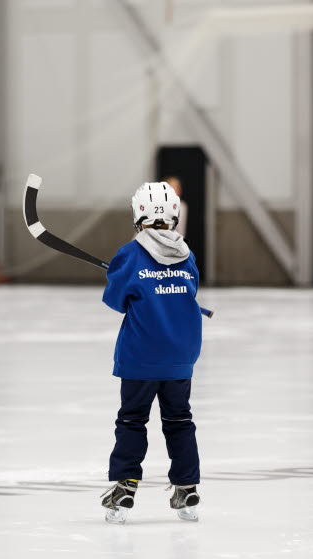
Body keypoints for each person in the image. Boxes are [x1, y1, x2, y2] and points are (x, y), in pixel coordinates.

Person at [99, 181, 202, 524]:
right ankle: (186, 487)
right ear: (173, 215)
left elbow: (116, 301)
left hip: (141, 357)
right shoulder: (186, 254)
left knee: (132, 420)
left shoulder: (129, 254)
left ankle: (125, 487)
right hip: (179, 358)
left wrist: (121, 275)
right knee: (179, 421)